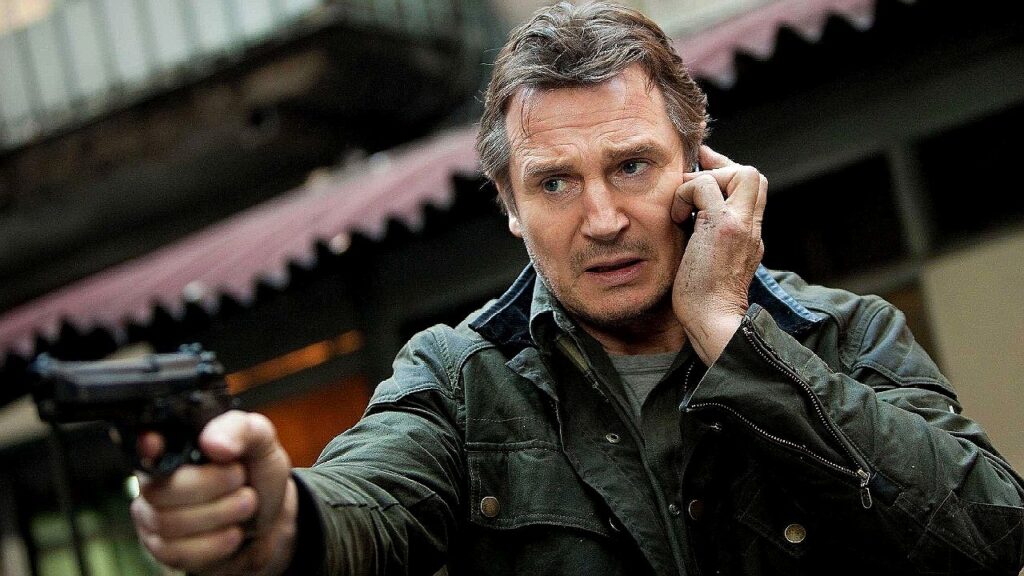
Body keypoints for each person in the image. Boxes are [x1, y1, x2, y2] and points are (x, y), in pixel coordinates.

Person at [129, 2, 1024, 575]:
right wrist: (275, 521)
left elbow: (989, 536)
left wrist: (729, 331)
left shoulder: (845, 335)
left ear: (700, 167)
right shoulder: (459, 382)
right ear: (509, 206)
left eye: (631, 166)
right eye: (555, 182)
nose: (602, 219)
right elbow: (369, 504)